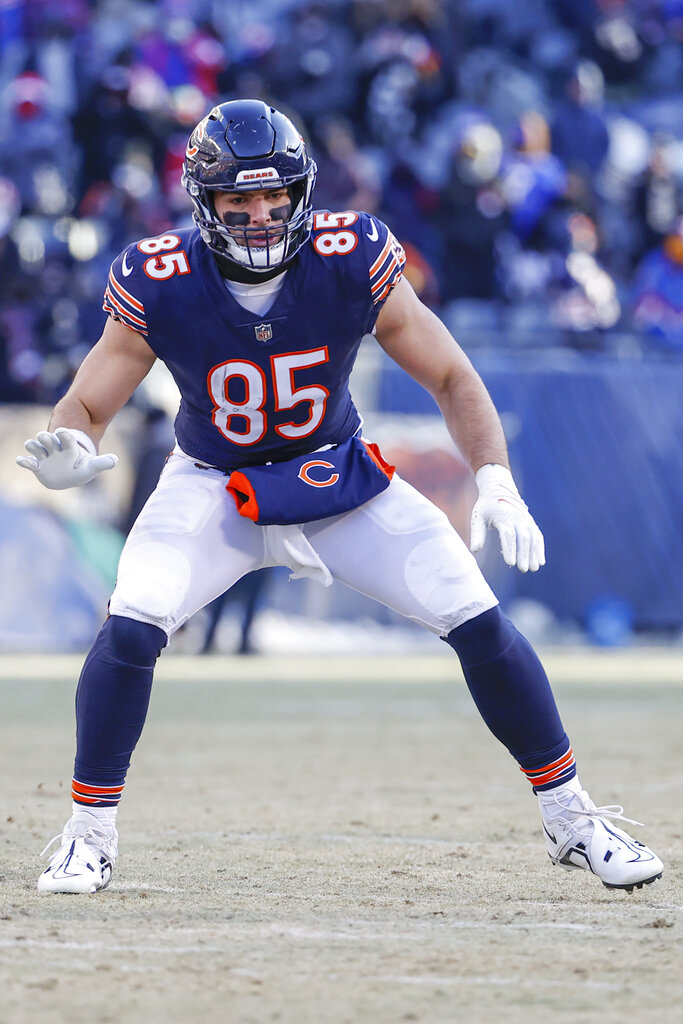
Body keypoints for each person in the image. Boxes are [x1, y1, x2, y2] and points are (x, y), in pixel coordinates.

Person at [17, 99, 662, 896]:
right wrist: (75, 445)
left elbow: (452, 375)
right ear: (203, 203)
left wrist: (493, 476)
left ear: (301, 193)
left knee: (473, 612)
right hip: (212, 482)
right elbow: (87, 402)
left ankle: (572, 819)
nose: (258, 216)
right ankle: (87, 836)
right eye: (237, 202)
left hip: (337, 478)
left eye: (272, 198)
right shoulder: (161, 276)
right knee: (134, 617)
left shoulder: (350, 254)